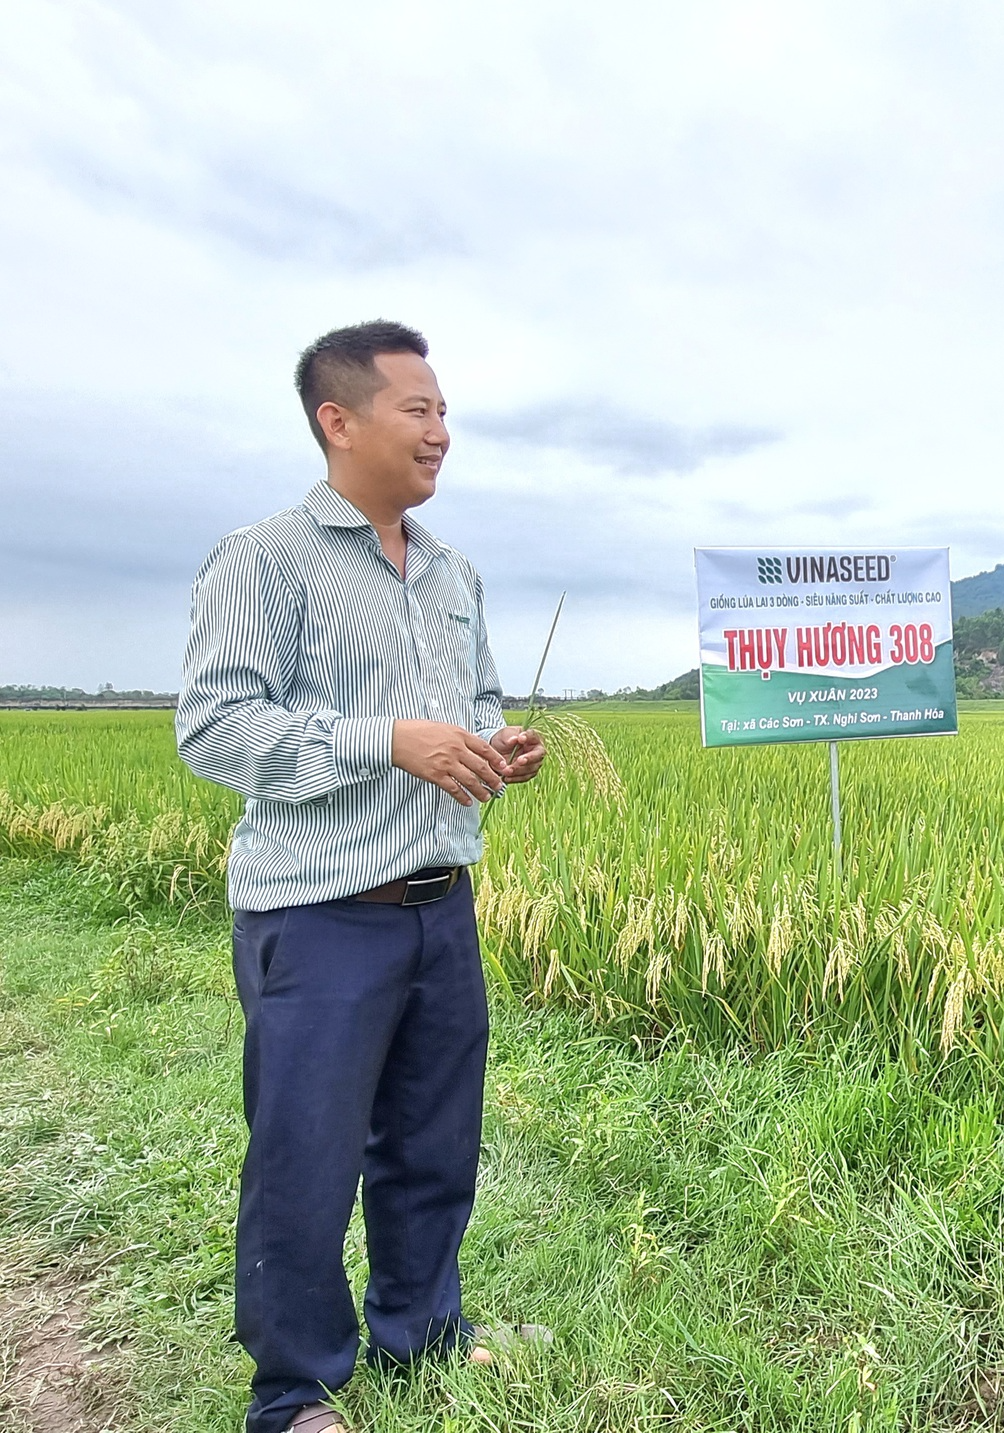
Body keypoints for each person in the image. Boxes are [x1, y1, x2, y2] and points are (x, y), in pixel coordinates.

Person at [177, 322, 549, 1433]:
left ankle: (420, 1327)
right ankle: (295, 1389)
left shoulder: (452, 571)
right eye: (417, 409)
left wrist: (490, 744)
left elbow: (468, 706)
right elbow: (216, 728)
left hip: (440, 905)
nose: (441, 429)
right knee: (307, 1153)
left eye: (443, 410)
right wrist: (389, 740)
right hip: (318, 912)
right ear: (339, 422)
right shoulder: (264, 558)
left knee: (434, 1138)